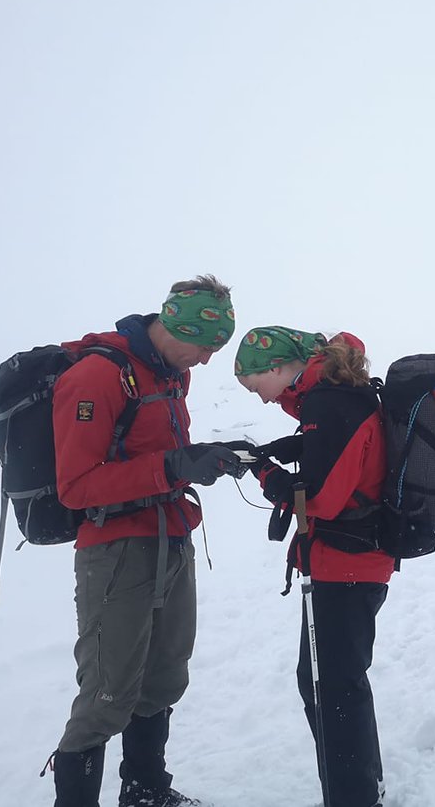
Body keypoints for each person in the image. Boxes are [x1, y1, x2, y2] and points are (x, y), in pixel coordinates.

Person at [49, 275, 248, 807]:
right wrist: (173, 467)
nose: (206, 360)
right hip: (115, 553)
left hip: (171, 539)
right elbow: (77, 486)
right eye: (205, 346)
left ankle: (145, 791)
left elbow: (156, 455)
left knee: (162, 679)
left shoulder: (170, 374)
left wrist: (204, 457)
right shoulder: (96, 377)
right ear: (177, 326)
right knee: (106, 694)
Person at [235, 325, 392, 807]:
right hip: (354, 560)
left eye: (254, 383)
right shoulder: (335, 395)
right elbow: (339, 454)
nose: (259, 398)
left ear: (278, 367)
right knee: (333, 682)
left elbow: (320, 498)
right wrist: (287, 448)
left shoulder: (328, 402)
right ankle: (366, 785)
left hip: (345, 564)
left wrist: (266, 475)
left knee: (331, 689)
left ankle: (354, 798)